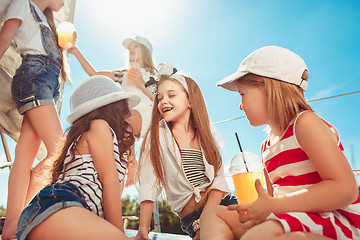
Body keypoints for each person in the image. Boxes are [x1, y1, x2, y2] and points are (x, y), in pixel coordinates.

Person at [200, 46, 360, 240]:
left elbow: (346, 190)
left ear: (269, 89)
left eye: (242, 94)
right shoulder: (265, 147)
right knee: (213, 214)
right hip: (288, 218)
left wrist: (274, 207)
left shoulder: (305, 123)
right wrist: (263, 210)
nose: (240, 105)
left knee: (261, 235)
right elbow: (273, 200)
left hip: (334, 221)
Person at [16, 75, 140, 240]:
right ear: (113, 109)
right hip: (59, 205)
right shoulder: (99, 125)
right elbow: (109, 180)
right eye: (124, 110)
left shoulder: (93, 139)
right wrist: (119, 234)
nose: (127, 117)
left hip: (44, 216)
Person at [135, 63, 237, 240]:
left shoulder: (205, 137)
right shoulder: (157, 136)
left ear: (190, 101)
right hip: (192, 219)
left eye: (171, 95)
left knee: (257, 229)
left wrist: (207, 220)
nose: (163, 101)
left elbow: (218, 180)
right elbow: (148, 181)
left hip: (223, 205)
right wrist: (143, 228)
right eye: (159, 98)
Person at [0, 0, 69, 239]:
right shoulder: (22, 4)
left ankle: (11, 225)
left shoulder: (46, 20)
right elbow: (5, 37)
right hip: (34, 77)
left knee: (26, 153)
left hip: (47, 83)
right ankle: (19, 218)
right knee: (60, 152)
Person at [68, 35, 155, 188]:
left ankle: (132, 163)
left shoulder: (154, 73)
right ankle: (118, 178)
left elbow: (160, 99)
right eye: (129, 49)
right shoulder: (124, 73)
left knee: (118, 118)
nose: (131, 51)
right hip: (129, 119)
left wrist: (142, 84)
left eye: (135, 47)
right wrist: (76, 52)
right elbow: (96, 76)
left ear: (145, 51)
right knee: (115, 152)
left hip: (148, 115)